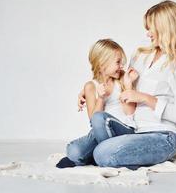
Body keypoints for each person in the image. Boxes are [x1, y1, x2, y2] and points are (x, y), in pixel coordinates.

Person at [76, 0, 176, 169]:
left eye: (151, 28)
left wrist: (145, 98)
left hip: (162, 136)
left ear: (165, 28)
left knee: (101, 154)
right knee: (77, 151)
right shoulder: (140, 55)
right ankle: (113, 153)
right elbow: (117, 76)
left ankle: (109, 154)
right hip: (133, 129)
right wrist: (87, 89)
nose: (147, 34)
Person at [56, 39, 139, 169]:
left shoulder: (122, 78)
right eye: (118, 62)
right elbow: (92, 120)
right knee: (73, 151)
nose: (122, 65)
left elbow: (130, 112)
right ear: (102, 64)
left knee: (100, 118)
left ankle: (101, 156)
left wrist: (128, 86)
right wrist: (100, 98)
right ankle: (101, 156)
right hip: (101, 132)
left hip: (124, 130)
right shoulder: (90, 87)